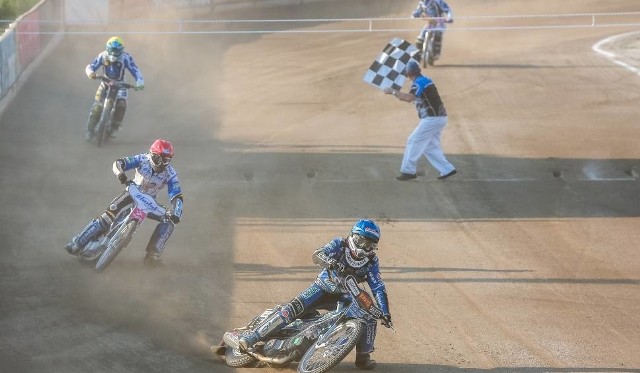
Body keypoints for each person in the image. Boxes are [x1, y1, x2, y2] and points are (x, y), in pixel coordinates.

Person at [236, 219, 392, 370]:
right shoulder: (339, 243)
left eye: (370, 245)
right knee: (291, 309)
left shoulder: (372, 261)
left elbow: (378, 287)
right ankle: (252, 337)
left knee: (369, 314)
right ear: (352, 236)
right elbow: (318, 254)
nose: (364, 247)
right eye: (361, 241)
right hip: (321, 288)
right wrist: (328, 261)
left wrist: (385, 312)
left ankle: (363, 356)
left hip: (345, 295)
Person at [64, 139, 183, 266]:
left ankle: (153, 255)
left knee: (169, 221)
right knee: (107, 216)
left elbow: (176, 195)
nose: (161, 164)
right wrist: (121, 174)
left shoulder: (171, 173)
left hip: (149, 202)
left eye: (165, 160)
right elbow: (119, 163)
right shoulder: (142, 159)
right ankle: (77, 243)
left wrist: (177, 213)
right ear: (151, 154)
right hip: (132, 192)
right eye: (158, 159)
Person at [383, 60, 457, 181]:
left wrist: (392, 91)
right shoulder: (424, 80)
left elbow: (409, 98)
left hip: (432, 119)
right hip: (439, 118)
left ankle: (408, 171)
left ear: (408, 73)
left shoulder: (419, 82)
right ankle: (447, 169)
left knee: (413, 140)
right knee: (430, 146)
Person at [84, 36, 144, 141]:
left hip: (120, 84)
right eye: (111, 50)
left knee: (122, 104)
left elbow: (135, 70)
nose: (113, 53)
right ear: (107, 48)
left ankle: (115, 128)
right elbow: (91, 66)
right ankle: (90, 130)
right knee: (97, 106)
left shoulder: (126, 57)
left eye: (116, 50)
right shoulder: (102, 55)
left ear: (121, 50)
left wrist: (140, 82)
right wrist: (91, 73)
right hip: (105, 83)